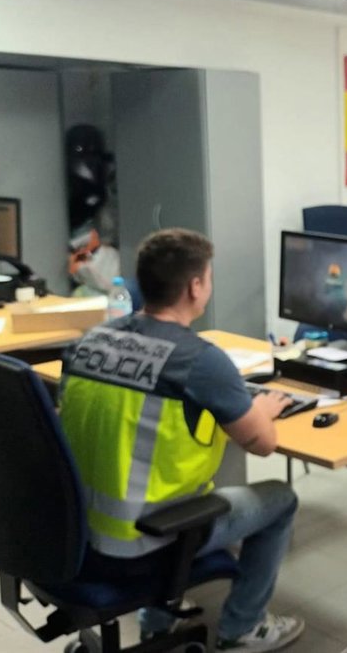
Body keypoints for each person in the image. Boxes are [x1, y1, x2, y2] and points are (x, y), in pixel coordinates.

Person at [58, 228, 305, 652]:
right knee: (281, 499)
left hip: (75, 533)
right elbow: (263, 444)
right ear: (195, 286)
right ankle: (243, 628)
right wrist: (262, 409)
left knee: (179, 487)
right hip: (141, 544)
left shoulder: (89, 342)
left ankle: (158, 622)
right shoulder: (200, 360)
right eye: (208, 276)